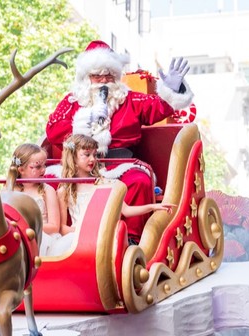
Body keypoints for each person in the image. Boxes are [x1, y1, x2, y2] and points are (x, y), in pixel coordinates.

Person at [45, 40, 192, 244]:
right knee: (48, 183)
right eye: (98, 75)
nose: (104, 80)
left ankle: (132, 241)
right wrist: (87, 120)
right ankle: (55, 237)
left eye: (109, 75)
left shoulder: (129, 99)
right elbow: (53, 130)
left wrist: (171, 90)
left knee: (139, 181)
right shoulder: (72, 102)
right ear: (86, 78)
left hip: (120, 164)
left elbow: (158, 107)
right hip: (79, 165)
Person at [49, 134, 173, 256]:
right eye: (87, 155)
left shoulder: (104, 183)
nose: (92, 159)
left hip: (102, 236)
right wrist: (83, 233)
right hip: (76, 237)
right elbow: (63, 228)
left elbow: (126, 210)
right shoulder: (65, 190)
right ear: (73, 159)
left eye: (95, 155)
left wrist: (152, 207)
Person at [6, 143, 61, 256]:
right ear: (21, 170)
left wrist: (27, 228)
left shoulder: (47, 190)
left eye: (44, 165)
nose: (43, 170)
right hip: (18, 237)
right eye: (37, 167)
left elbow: (55, 226)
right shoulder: (9, 189)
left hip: (44, 237)